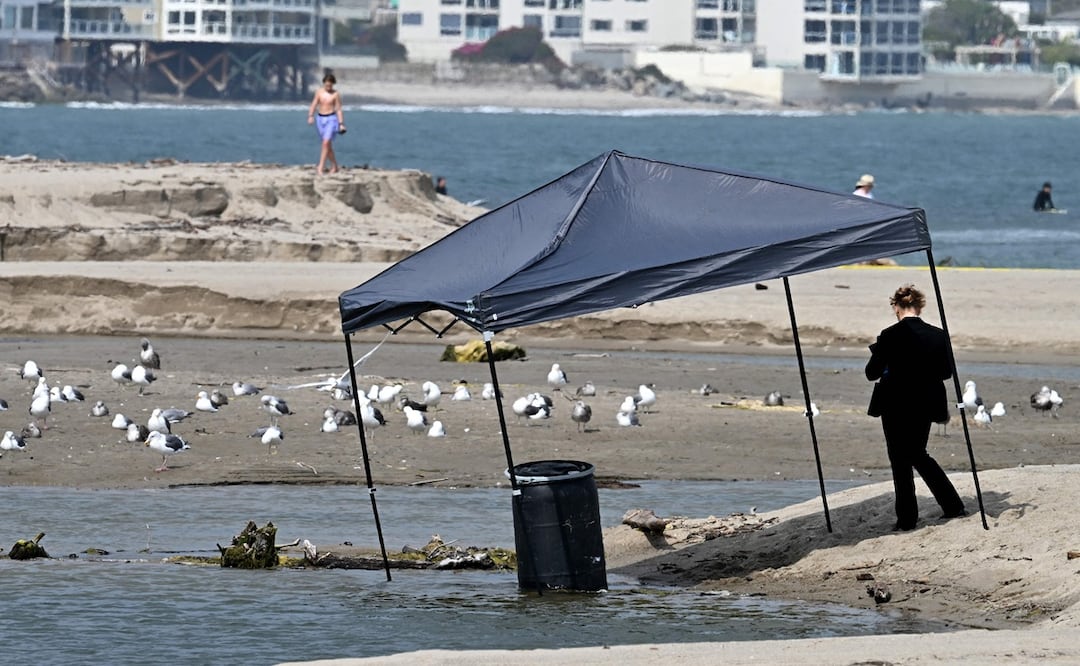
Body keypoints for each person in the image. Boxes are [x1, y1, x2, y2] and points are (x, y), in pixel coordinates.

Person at [865, 284, 966, 531]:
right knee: (917, 453)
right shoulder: (938, 335)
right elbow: (945, 372)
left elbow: (871, 373)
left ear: (896, 307)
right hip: (925, 402)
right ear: (919, 307)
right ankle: (951, 506)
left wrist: (882, 355)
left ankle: (908, 519)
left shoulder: (889, 335)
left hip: (895, 403)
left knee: (900, 458)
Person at [307, 73, 346, 175]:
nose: (328, 87)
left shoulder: (335, 94)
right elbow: (314, 104)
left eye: (330, 85)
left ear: (333, 84)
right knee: (327, 145)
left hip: (331, 119)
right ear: (324, 83)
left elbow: (338, 109)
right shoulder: (319, 92)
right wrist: (311, 116)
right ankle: (334, 166)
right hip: (320, 119)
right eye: (327, 85)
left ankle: (320, 166)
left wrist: (341, 123)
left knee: (325, 143)